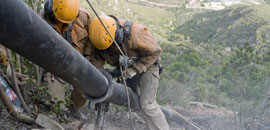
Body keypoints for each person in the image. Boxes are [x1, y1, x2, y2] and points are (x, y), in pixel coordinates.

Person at [89, 15, 169, 130]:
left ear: (117, 34)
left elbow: (155, 52)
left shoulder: (136, 33)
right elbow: (96, 60)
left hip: (148, 66)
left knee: (147, 104)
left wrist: (136, 69)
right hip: (126, 68)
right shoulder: (97, 36)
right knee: (138, 104)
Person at [41, 0, 92, 111]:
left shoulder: (84, 18)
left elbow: (90, 41)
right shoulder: (41, 21)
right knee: (55, 106)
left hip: (79, 64)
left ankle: (73, 110)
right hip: (56, 67)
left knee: (86, 88)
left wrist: (87, 57)